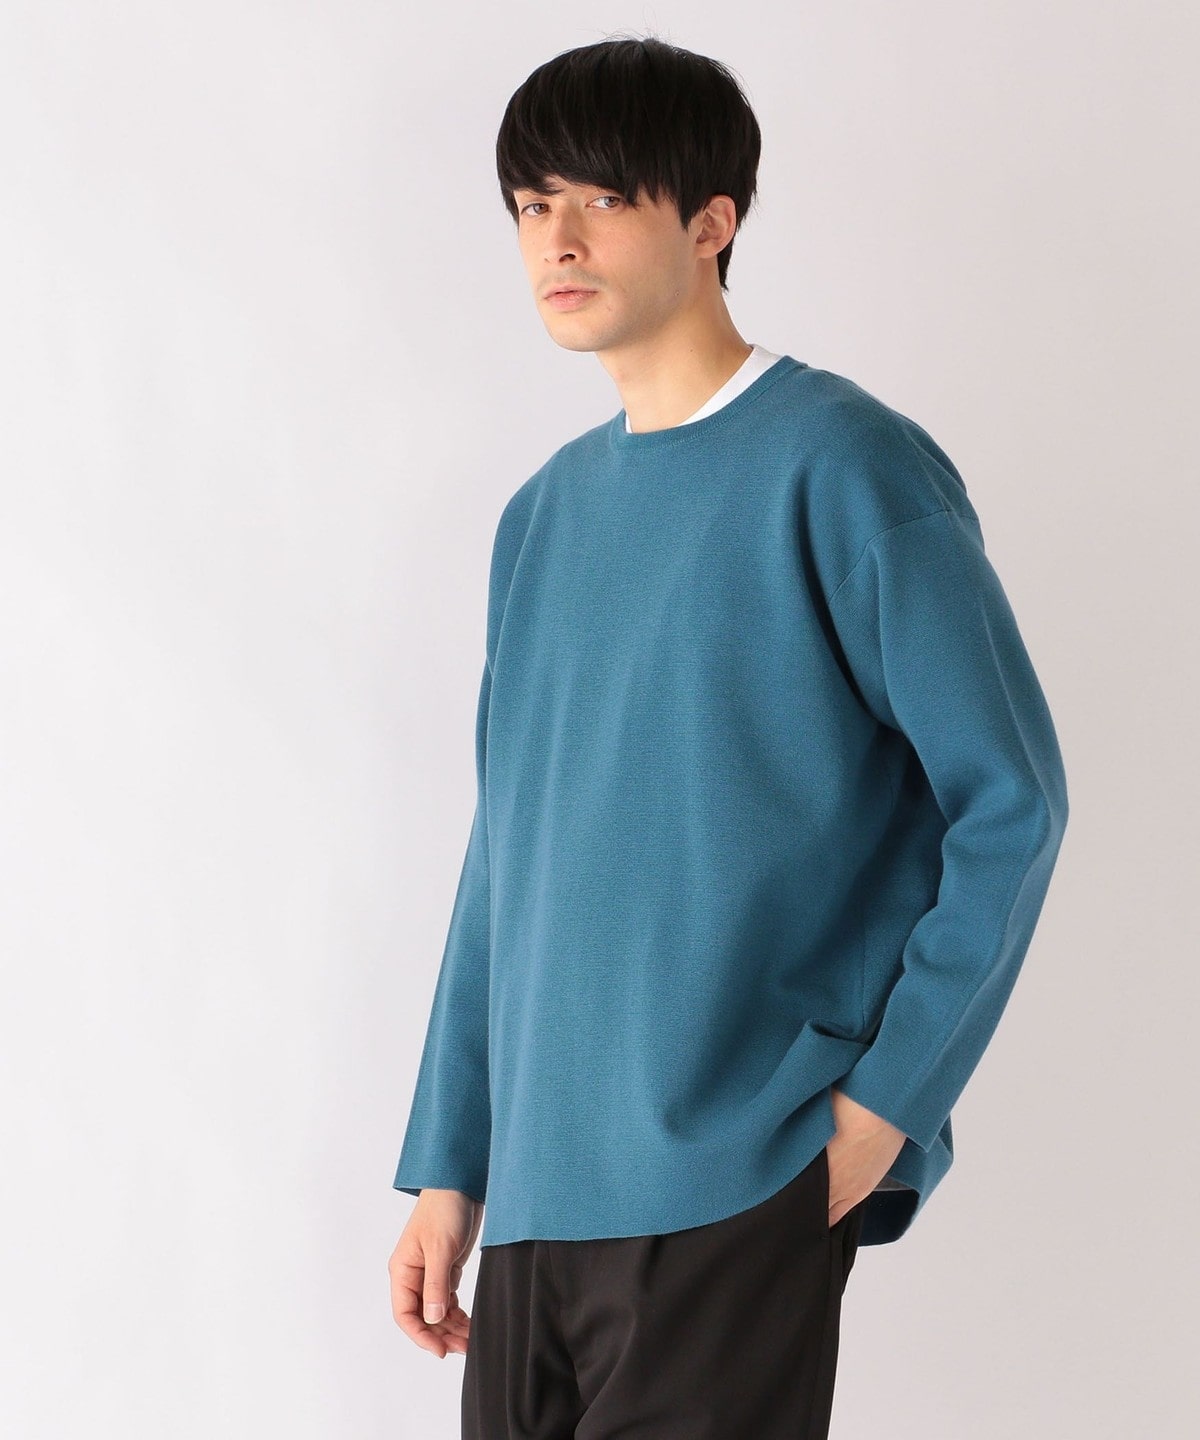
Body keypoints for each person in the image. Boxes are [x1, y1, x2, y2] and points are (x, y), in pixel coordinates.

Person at [387, 33, 1069, 1440]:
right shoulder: (540, 519)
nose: (557, 240)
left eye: (602, 198)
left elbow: (1012, 802)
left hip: (734, 1177)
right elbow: (506, 858)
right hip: (537, 1209)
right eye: (531, 204)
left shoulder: (846, 465)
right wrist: (451, 1166)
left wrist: (885, 1108)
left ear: (712, 223)